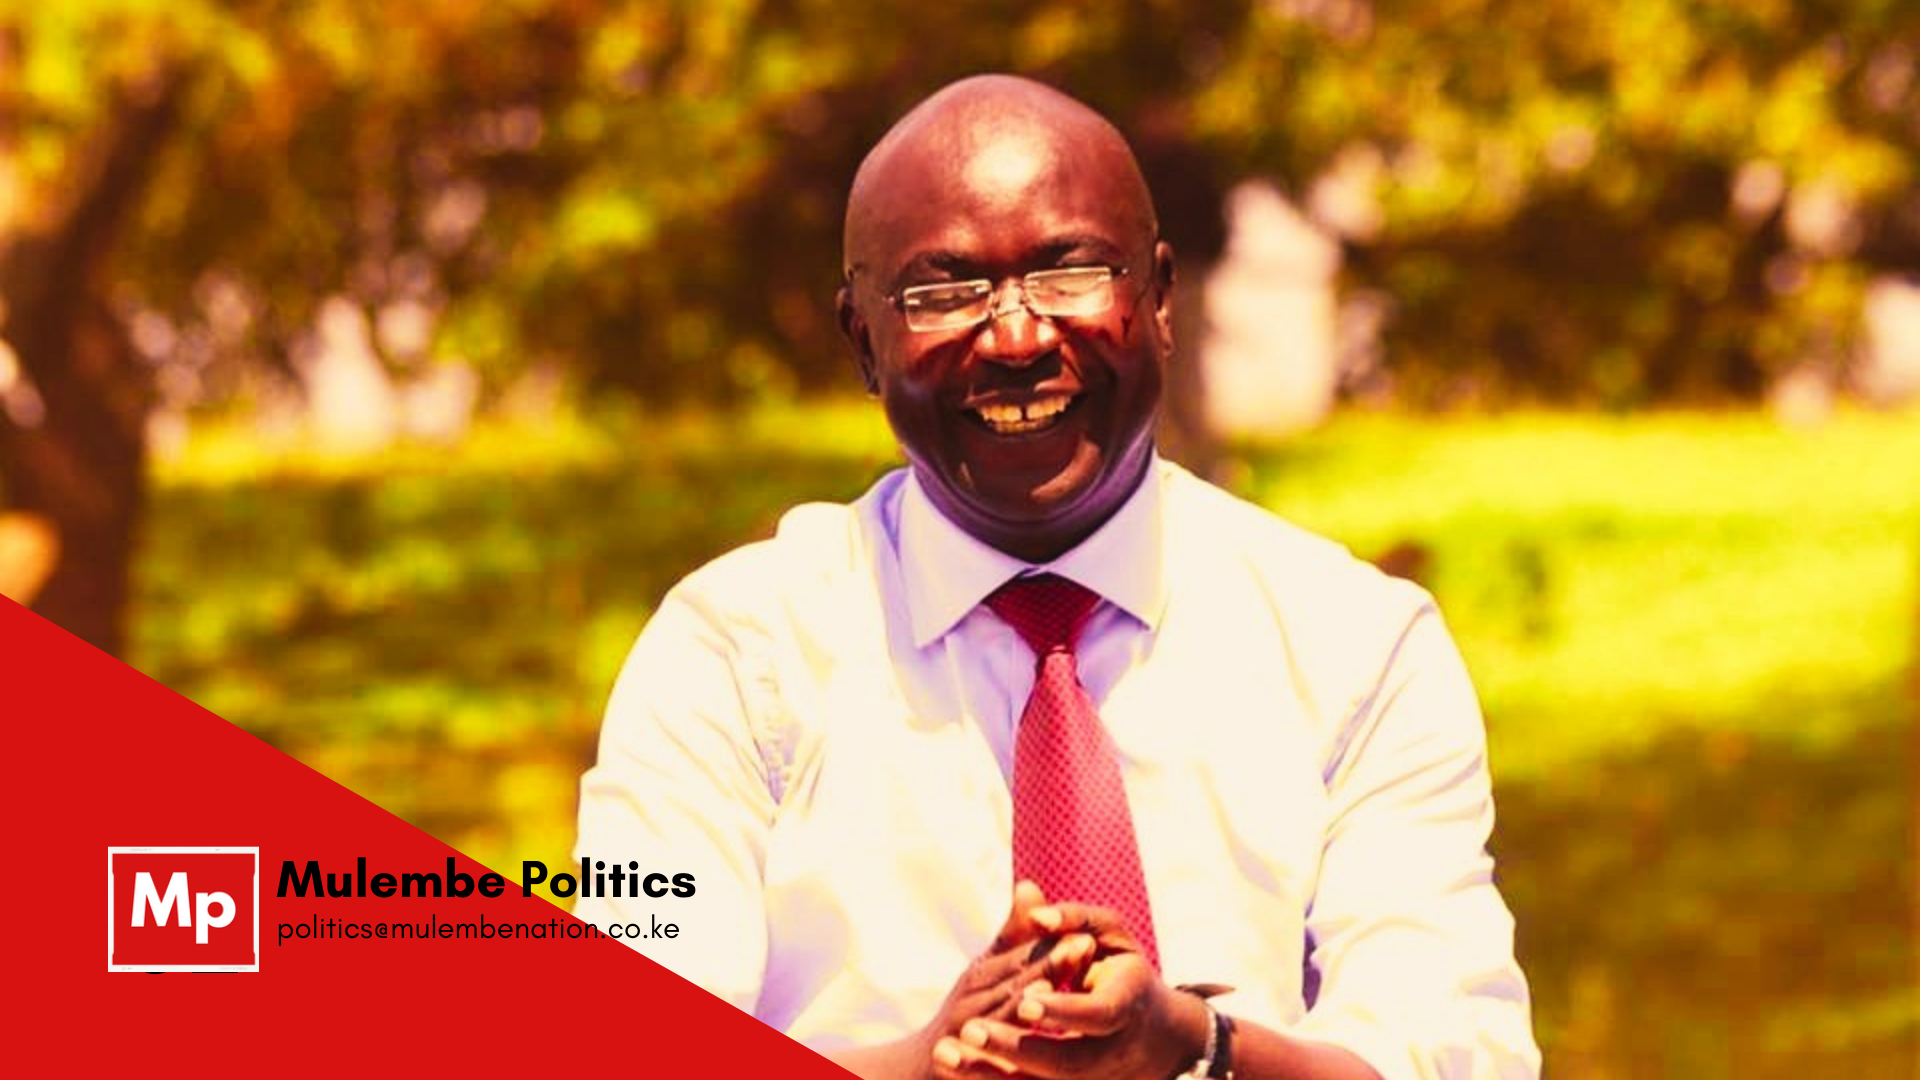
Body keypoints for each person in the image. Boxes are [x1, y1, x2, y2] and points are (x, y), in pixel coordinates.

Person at [574, 74, 1540, 1080]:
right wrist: (929, 1066)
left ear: (1160, 299)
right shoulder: (730, 654)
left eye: (1072, 273)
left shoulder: (1354, 644)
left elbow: (1454, 1054)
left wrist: (1196, 1051)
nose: (1019, 337)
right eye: (942, 293)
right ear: (865, 343)